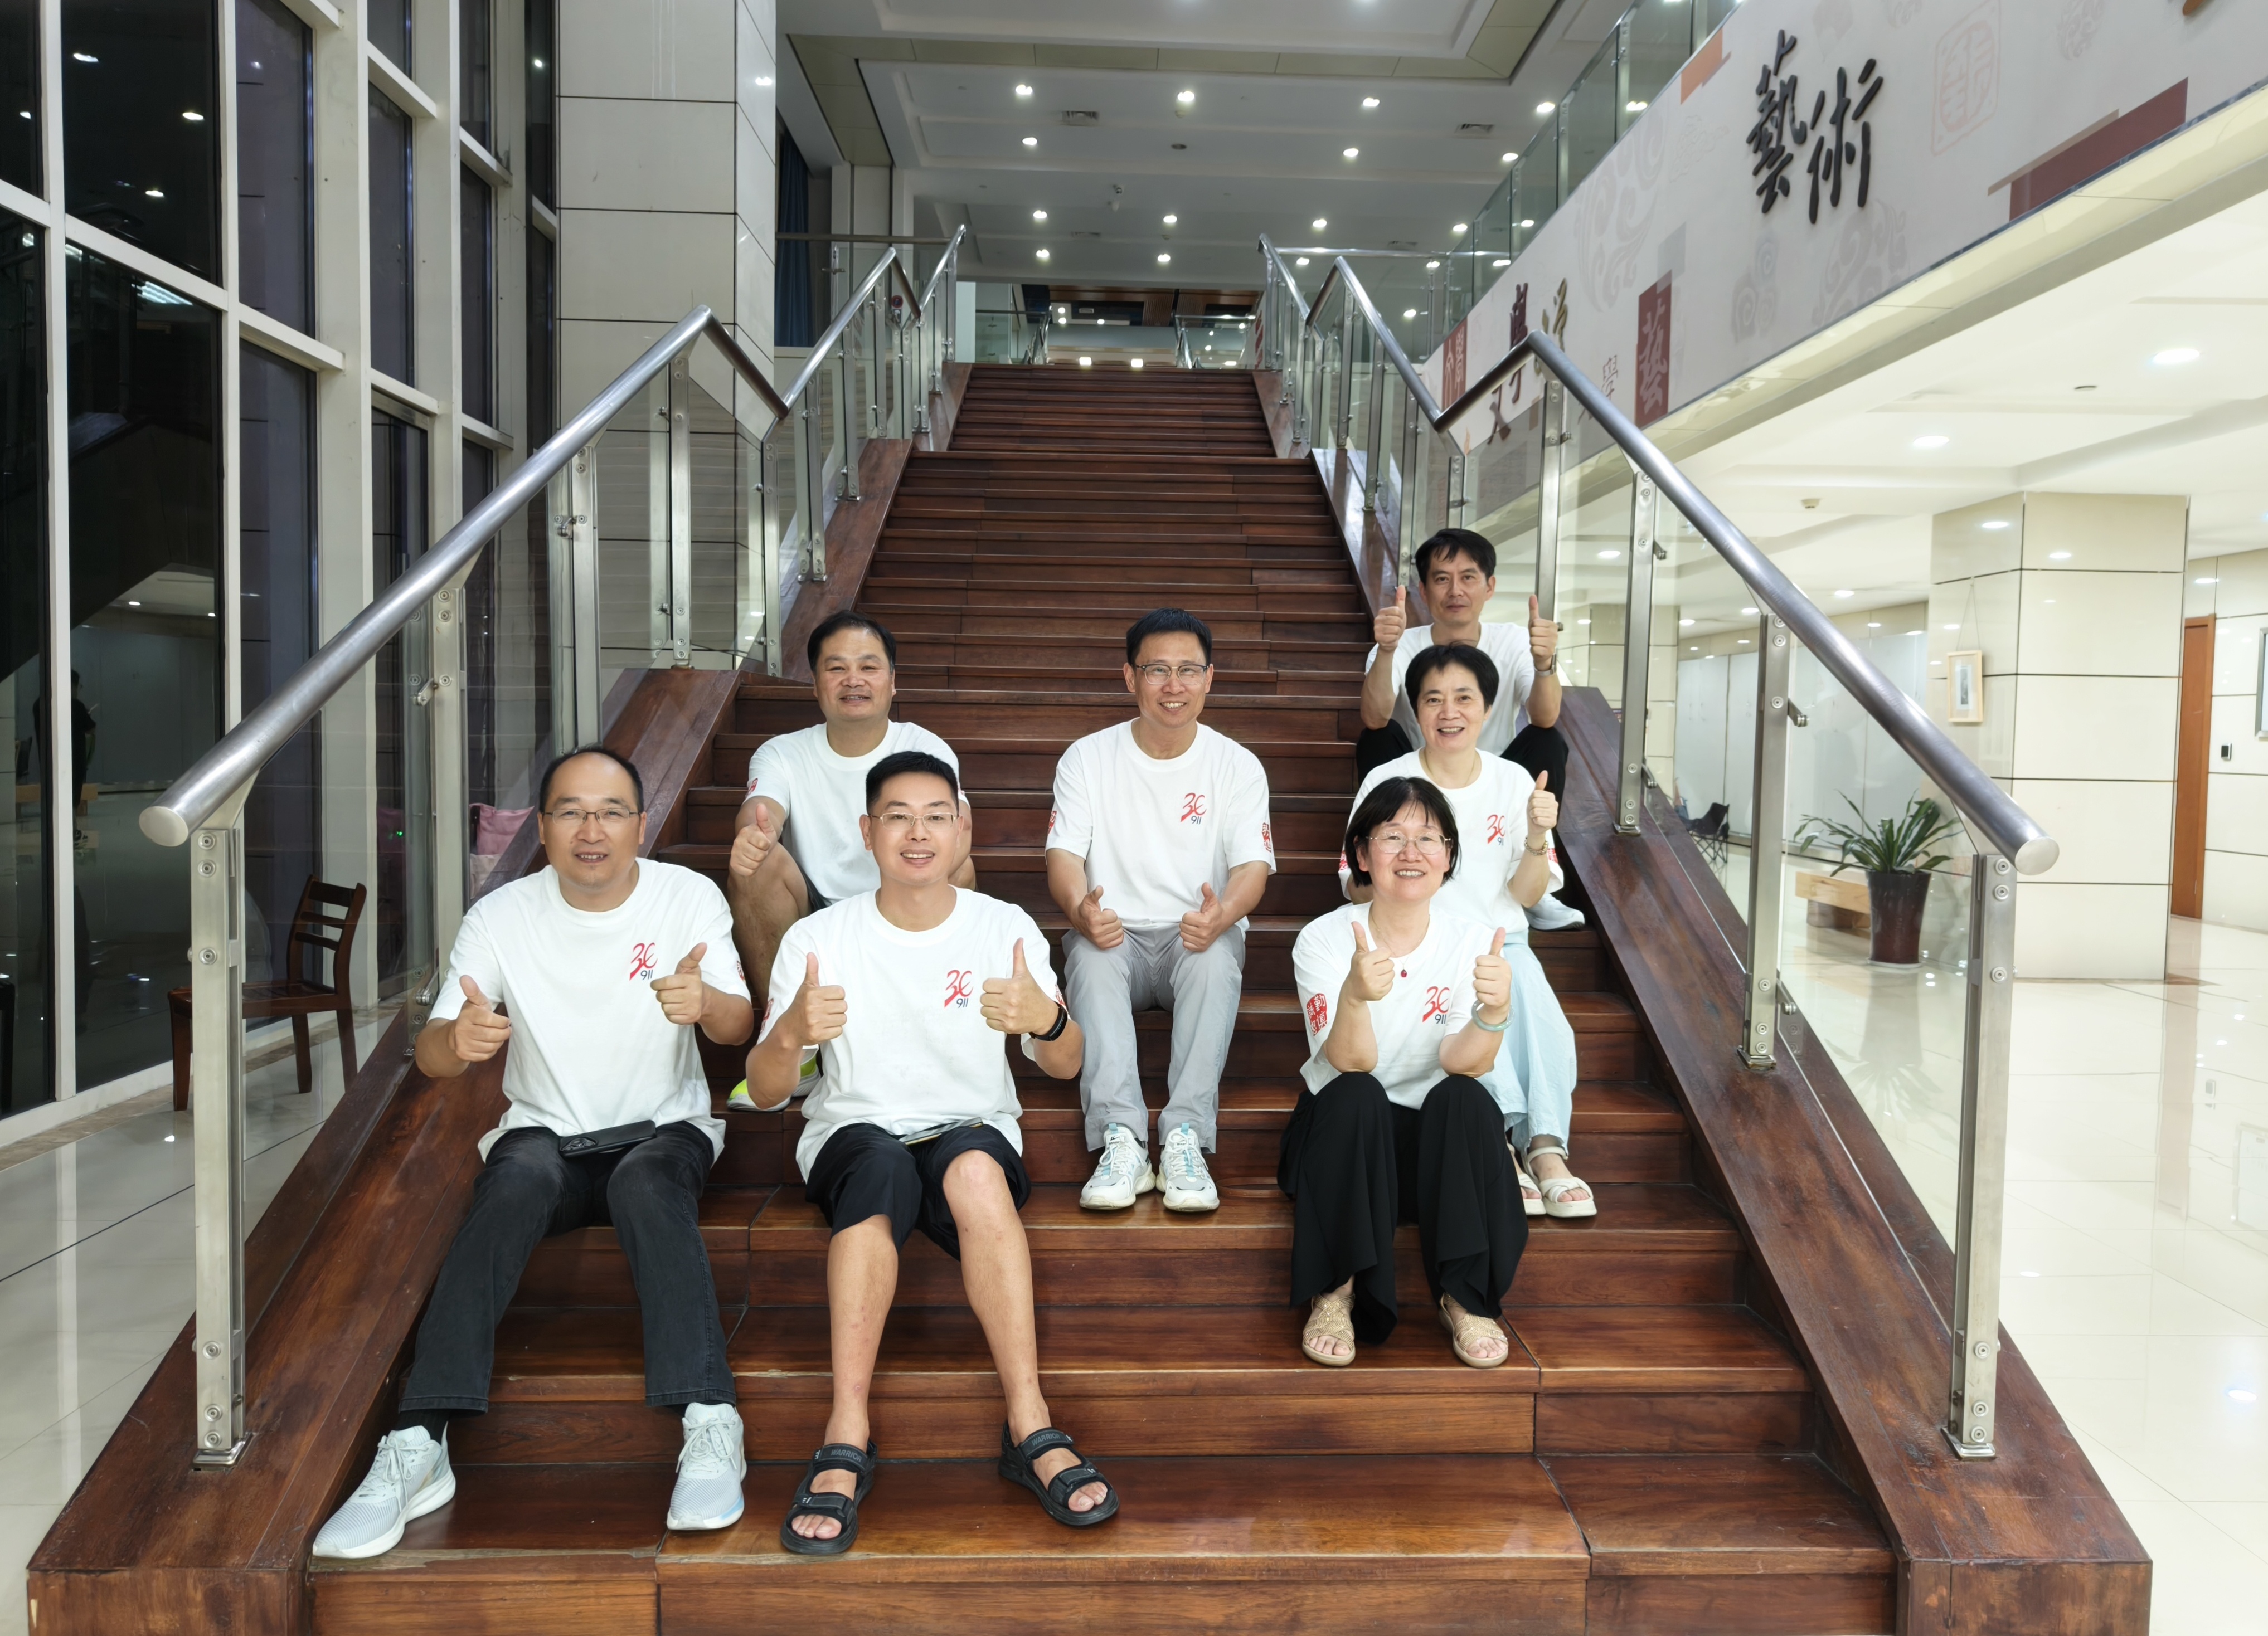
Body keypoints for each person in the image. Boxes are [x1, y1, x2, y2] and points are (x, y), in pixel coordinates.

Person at [312, 747, 756, 1560]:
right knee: (512, 1184)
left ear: (640, 824)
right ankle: (418, 1442)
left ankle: (709, 1416)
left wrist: (705, 1003)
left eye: (612, 811)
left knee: (646, 1187)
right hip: (546, 1131)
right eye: (571, 812)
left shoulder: (685, 896)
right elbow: (434, 1056)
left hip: (663, 1128)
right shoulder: (501, 914)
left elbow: (737, 1025)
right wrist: (459, 1039)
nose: (592, 829)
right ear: (542, 827)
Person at [746, 750, 1117, 1554]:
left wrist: (1047, 1020)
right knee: (879, 1169)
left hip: (968, 1124)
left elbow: (1066, 1064)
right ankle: (846, 1428)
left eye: (936, 817)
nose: (918, 834)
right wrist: (790, 1033)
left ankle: (1029, 1421)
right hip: (856, 1129)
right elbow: (768, 1091)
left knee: (976, 1171)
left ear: (962, 829)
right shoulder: (819, 936)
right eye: (898, 817)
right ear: (866, 832)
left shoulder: (1003, 928)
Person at [1285, 776, 1527, 1369]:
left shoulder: (1473, 941)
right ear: (1362, 854)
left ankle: (1465, 1299)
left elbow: (1463, 1062)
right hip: (1342, 1141)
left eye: (1427, 837)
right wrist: (1353, 995)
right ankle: (1335, 1292)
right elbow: (1350, 1062)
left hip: (1432, 1154)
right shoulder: (1323, 938)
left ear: (1448, 856)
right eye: (1392, 836)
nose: (1410, 851)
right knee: (1356, 1092)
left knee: (1465, 1098)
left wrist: (1495, 1012)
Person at [1346, 645, 1592, 1219]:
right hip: (1417, 942)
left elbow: (1526, 895)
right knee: (1474, 1002)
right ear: (1415, 710)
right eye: (1433, 699)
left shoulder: (1513, 781)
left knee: (1532, 1001)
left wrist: (1537, 836)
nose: (1448, 711)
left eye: (1464, 698)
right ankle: (1496, 1141)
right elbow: (1356, 887)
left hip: (1499, 940)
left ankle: (1546, 1146)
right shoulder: (1388, 779)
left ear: (1488, 708)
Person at [1046, 608, 1276, 1215]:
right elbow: (1063, 857)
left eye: (1188, 670)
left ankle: (1185, 1138)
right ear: (1130, 677)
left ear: (1209, 678)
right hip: (1115, 933)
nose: (1173, 685)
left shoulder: (1237, 764)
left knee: (1214, 957)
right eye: (1157, 670)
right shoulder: (1087, 758)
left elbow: (1252, 869)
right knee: (1090, 957)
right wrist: (1080, 910)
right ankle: (1120, 1139)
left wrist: (1222, 915)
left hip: (1194, 934)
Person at [726, 612, 973, 1015]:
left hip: (900, 895)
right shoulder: (781, 753)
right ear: (815, 684)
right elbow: (760, 810)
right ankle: (786, 1023)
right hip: (813, 904)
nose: (853, 680)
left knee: (960, 868)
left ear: (892, 681)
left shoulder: (924, 748)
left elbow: (960, 828)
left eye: (868, 668)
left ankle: (936, 1008)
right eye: (836, 668)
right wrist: (754, 836)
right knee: (756, 864)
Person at [1357, 527, 1583, 932]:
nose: (1455, 590)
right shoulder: (1400, 644)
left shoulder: (1513, 641)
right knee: (1375, 738)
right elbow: (1374, 717)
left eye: (1468, 577)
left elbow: (1545, 716)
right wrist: (1387, 651)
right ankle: (1383, 874)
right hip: (1417, 779)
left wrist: (1544, 664)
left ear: (1489, 587)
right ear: (1423, 591)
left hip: (1493, 774)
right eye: (1442, 579)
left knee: (1548, 740)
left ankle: (1537, 888)